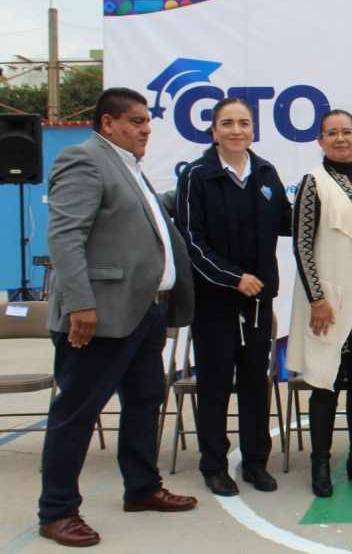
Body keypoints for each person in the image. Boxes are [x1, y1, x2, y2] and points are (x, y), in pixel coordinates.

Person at [39, 87, 197, 547]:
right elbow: (65, 235)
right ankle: (57, 510)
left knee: (145, 400)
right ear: (108, 123)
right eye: (136, 121)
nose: (146, 129)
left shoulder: (129, 167)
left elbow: (146, 224)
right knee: (77, 412)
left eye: (147, 122)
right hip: (100, 315)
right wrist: (80, 304)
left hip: (145, 311)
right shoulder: (83, 159)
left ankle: (142, 487)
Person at [174, 97, 293, 496]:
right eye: (227, 123)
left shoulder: (265, 172)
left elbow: (288, 222)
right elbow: (191, 241)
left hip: (257, 302)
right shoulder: (197, 176)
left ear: (253, 130)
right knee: (215, 384)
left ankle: (256, 462)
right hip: (215, 303)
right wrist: (234, 277)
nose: (236, 130)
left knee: (256, 383)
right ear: (214, 131)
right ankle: (214, 465)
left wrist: (325, 204)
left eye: (244, 123)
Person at [288, 109, 352, 497]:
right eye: (332, 133)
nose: (340, 138)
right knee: (325, 382)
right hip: (329, 301)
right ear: (320, 140)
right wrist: (317, 298)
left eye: (347, 132)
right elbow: (302, 244)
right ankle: (320, 464)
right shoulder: (313, 182)